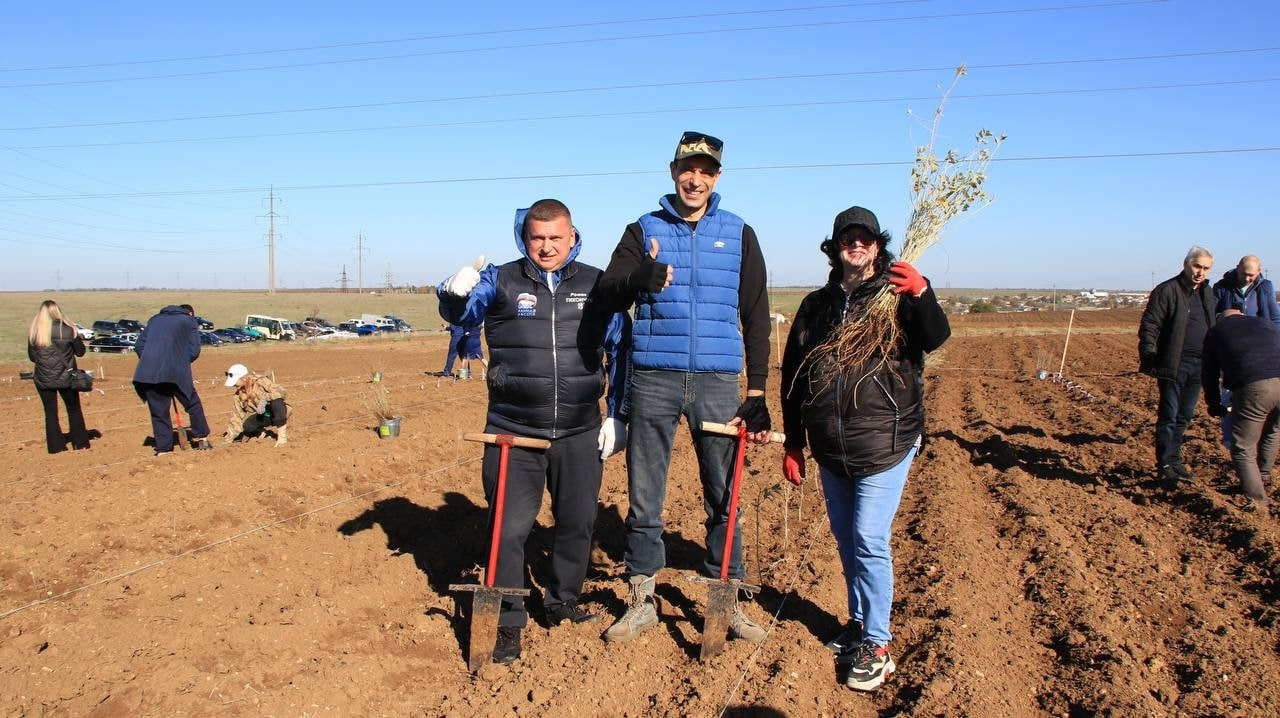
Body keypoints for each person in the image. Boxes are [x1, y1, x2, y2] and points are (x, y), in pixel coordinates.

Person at [597, 131, 773, 644]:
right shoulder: (642, 229)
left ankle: (727, 599)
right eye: (686, 168)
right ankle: (642, 597)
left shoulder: (740, 234)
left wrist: (757, 393)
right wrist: (639, 277)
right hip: (654, 376)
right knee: (645, 489)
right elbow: (609, 288)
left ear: (717, 177)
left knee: (725, 491)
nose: (694, 178)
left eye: (705, 170)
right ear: (673, 172)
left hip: (718, 380)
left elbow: (756, 314)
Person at [437, 198, 631, 665]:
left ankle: (563, 600)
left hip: (580, 428)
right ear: (525, 238)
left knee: (578, 523)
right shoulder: (500, 280)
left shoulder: (595, 282)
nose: (546, 247)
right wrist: (453, 293)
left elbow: (622, 348)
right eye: (537, 238)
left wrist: (617, 414)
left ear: (572, 236)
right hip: (513, 430)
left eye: (555, 238)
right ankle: (507, 620)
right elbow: (462, 315)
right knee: (507, 529)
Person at [779, 206, 950, 691]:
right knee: (846, 538)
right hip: (832, 446)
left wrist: (921, 293)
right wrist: (795, 442)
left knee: (870, 539)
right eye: (847, 237)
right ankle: (857, 623)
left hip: (886, 441)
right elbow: (793, 376)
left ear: (878, 246)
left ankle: (878, 643)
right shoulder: (816, 307)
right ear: (833, 247)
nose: (856, 243)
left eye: (866, 237)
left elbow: (934, 337)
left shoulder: (896, 296)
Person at [1139, 247, 1215, 483]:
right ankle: (1164, 464)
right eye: (1197, 266)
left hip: (1199, 364)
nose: (1200, 272)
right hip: (1174, 363)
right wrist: (1149, 354)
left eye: (1205, 268)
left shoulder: (1206, 293)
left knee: (1184, 416)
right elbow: (1150, 324)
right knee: (1169, 415)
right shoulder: (1168, 290)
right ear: (1186, 264)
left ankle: (1175, 460)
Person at [1202, 309, 1280, 507]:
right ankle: (1263, 477)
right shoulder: (1265, 324)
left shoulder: (1216, 332)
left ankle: (1257, 500)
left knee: (1243, 446)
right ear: (1242, 315)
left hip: (1255, 387)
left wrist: (1214, 404)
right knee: (1273, 431)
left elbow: (1209, 373)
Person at [1210, 255, 1280, 449]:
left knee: (1260, 400)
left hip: (1260, 350)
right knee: (1229, 395)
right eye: (1244, 274)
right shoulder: (1222, 287)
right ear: (1237, 268)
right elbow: (1211, 315)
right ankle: (1230, 441)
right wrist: (1226, 318)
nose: (1247, 278)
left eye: (1252, 275)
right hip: (1232, 350)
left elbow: (1274, 317)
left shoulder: (1265, 287)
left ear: (1259, 272)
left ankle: (1254, 440)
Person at [132, 304, 212, 454]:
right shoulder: (189, 321)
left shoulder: (154, 320)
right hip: (176, 372)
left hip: (148, 374)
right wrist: (179, 360)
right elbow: (194, 351)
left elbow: (139, 346)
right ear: (190, 313)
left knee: (159, 412)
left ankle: (163, 449)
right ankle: (202, 438)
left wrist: (152, 361)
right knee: (192, 403)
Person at [27, 300, 91, 454]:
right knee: (74, 409)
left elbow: (32, 357)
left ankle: (55, 447)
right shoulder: (68, 330)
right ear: (57, 312)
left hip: (43, 379)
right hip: (67, 377)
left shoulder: (35, 333)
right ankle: (80, 443)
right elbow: (80, 352)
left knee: (50, 412)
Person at [222, 363, 289, 446]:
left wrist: (264, 399)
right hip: (263, 416)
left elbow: (282, 392)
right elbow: (236, 417)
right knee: (247, 426)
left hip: (277, 412)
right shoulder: (238, 396)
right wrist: (229, 438)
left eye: (235, 381)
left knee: (277, 402)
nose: (233, 385)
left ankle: (282, 438)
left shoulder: (261, 381)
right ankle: (262, 432)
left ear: (243, 378)